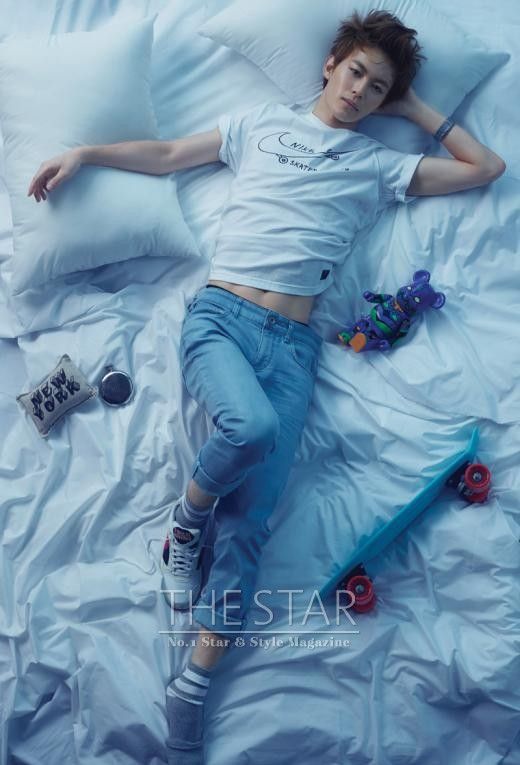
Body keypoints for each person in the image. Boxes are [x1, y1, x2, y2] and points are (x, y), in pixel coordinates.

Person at [27, 10, 505, 763]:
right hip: (221, 320)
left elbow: (486, 170)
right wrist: (84, 154)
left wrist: (412, 106)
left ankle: (190, 692)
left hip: (295, 347)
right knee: (248, 431)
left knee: (249, 531)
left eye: (377, 87)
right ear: (329, 64)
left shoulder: (378, 165)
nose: (361, 91)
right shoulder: (258, 124)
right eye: (356, 72)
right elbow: (166, 154)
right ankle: (182, 529)